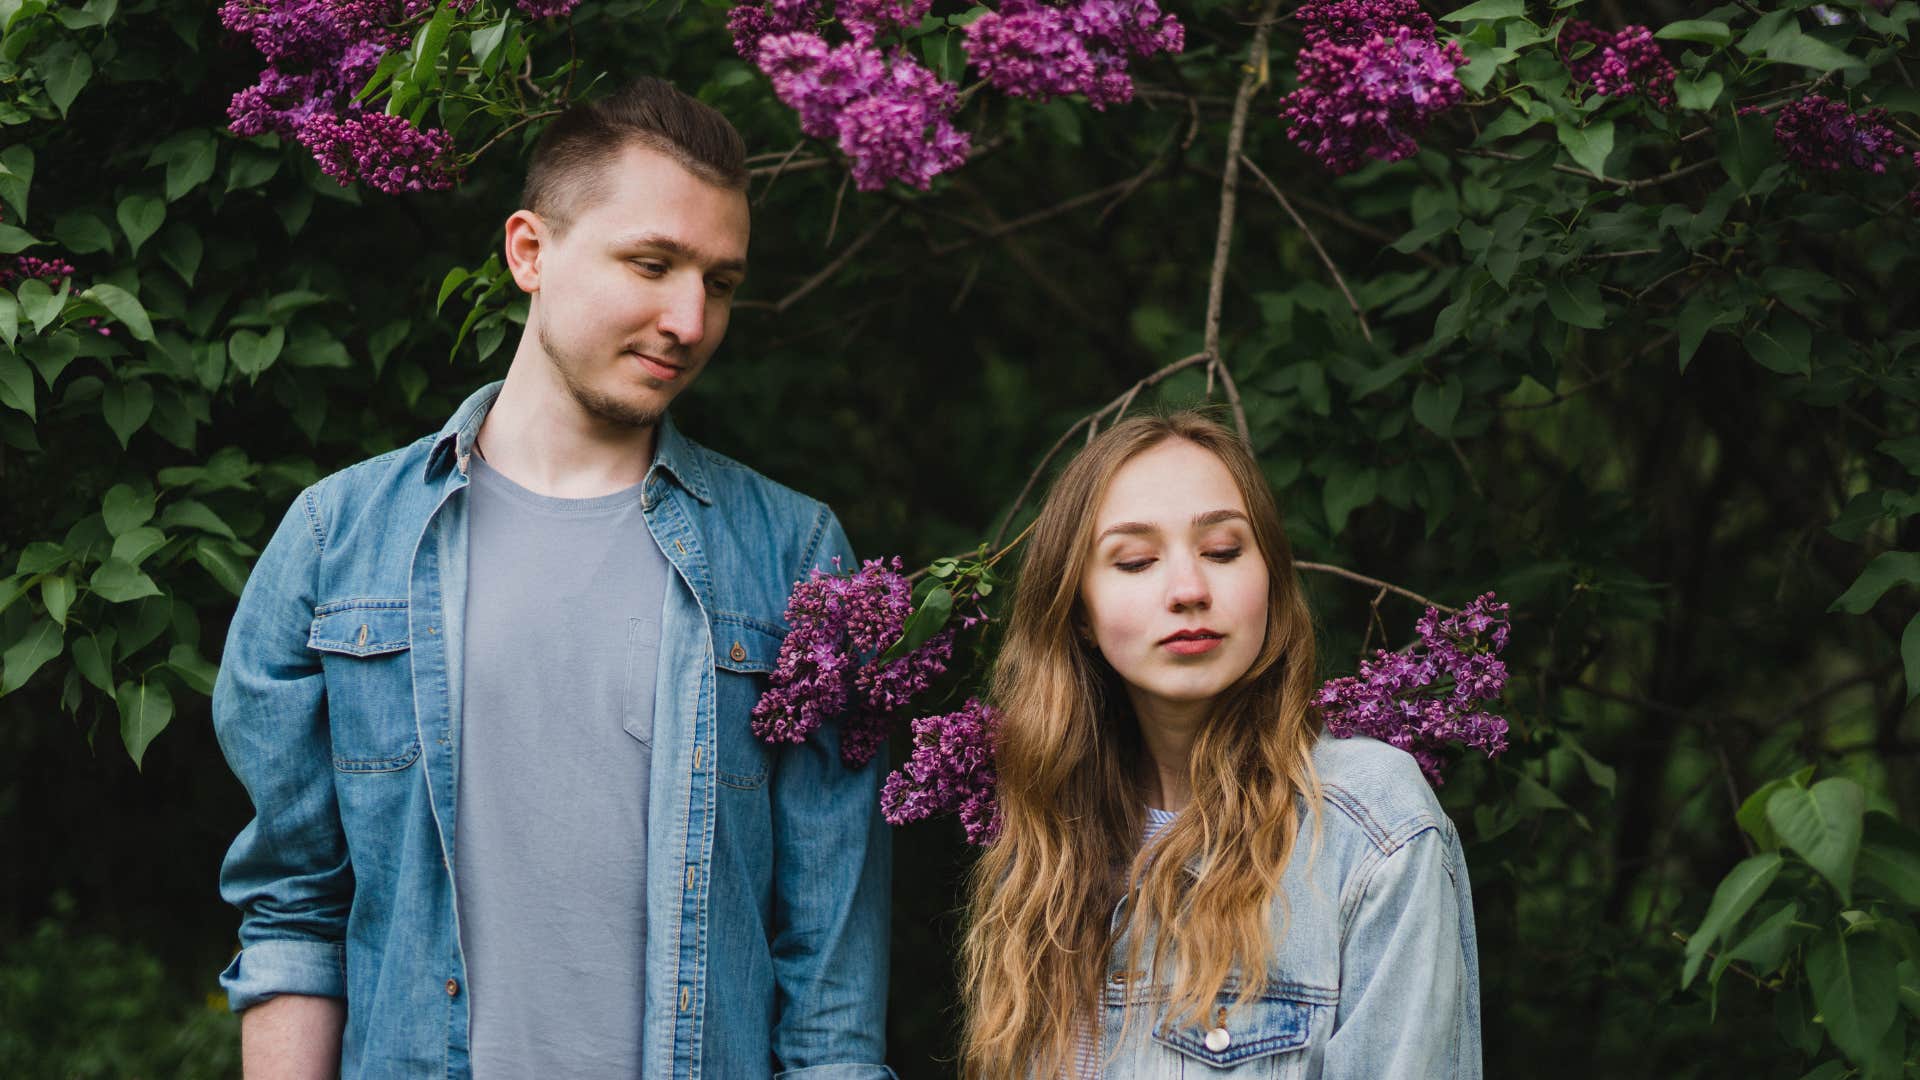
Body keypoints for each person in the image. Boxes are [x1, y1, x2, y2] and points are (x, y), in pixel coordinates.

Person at [212, 78, 892, 1079]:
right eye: (652, 264)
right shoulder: (338, 540)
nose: (690, 319)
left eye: (722, 282)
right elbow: (293, 913)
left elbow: (829, 975)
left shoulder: (794, 557)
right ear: (530, 251)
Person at [960, 411, 1481, 1079]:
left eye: (1224, 551)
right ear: (1081, 612)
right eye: (1137, 560)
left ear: (1271, 580)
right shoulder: (1043, 852)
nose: (1188, 591)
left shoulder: (1374, 830)